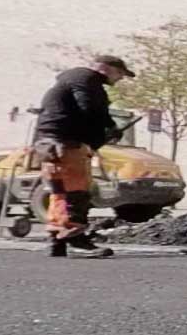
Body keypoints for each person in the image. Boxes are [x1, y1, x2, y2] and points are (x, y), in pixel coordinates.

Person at [34, 55, 134, 258]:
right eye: (120, 74)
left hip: (49, 143)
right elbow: (90, 108)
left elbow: (88, 110)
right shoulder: (88, 79)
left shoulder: (69, 81)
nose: (120, 79)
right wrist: (106, 129)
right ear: (107, 69)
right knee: (76, 192)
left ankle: (57, 239)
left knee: (59, 191)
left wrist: (104, 130)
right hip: (68, 144)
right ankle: (76, 238)